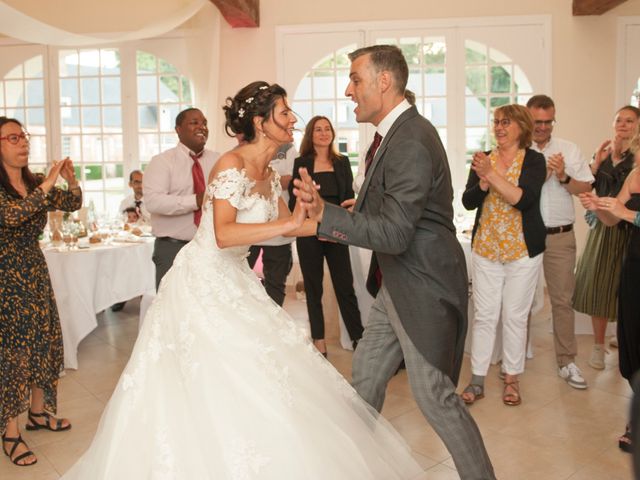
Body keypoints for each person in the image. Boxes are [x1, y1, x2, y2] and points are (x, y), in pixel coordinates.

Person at [61, 81, 423, 480]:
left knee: (263, 371)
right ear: (260, 122)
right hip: (200, 282)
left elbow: (293, 227)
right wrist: (288, 221)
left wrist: (341, 221)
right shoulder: (231, 165)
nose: (293, 120)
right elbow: (223, 234)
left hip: (234, 279)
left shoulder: (270, 173)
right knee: (213, 375)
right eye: (284, 113)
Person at [294, 45, 495, 479]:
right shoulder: (396, 134)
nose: (349, 90)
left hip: (421, 281)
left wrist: (326, 216)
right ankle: (354, 468)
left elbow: (398, 233)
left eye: (355, 79)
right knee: (366, 374)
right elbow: (399, 211)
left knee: (434, 394)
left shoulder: (410, 138)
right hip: (398, 281)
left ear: (384, 82)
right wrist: (351, 207)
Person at [0, 117, 82, 467]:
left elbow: (72, 204)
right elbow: (15, 215)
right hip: (6, 277)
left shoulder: (34, 183)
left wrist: (70, 180)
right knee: (14, 352)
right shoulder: (17, 189)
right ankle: (10, 432)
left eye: (25, 136)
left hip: (34, 271)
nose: (23, 143)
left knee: (42, 342)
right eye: (13, 137)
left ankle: (38, 413)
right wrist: (48, 183)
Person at [461, 104, 546, 407]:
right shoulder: (485, 158)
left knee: (513, 315)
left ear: (521, 127)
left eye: (505, 122)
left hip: (523, 251)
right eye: (496, 122)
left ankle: (512, 378)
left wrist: (491, 175)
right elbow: (468, 201)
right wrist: (482, 182)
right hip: (486, 249)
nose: (498, 127)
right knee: (484, 316)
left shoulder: (535, 161)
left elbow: (523, 200)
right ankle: (478, 379)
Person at [526, 95, 594, 389]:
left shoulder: (569, 149)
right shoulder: (518, 149)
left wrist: (564, 175)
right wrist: (543, 173)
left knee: (562, 302)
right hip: (524, 235)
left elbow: (585, 188)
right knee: (519, 301)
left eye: (547, 121)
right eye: (537, 121)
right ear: (527, 120)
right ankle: (514, 360)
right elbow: (515, 191)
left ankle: (567, 362)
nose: (542, 127)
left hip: (560, 236)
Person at [289, 116, 363, 356]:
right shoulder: (302, 162)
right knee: (313, 287)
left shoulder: (341, 162)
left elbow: (346, 198)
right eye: (318, 129)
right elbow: (295, 200)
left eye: (327, 129)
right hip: (309, 231)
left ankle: (358, 339)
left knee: (345, 287)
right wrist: (312, 225)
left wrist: (334, 227)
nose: (323, 133)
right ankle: (318, 339)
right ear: (311, 135)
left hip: (337, 230)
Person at [573, 105, 640, 369]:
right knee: (598, 286)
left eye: (630, 121)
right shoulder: (602, 154)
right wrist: (596, 165)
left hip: (628, 231)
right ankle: (599, 345)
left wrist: (623, 213)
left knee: (624, 291)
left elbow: (625, 206)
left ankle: (625, 340)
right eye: (619, 120)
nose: (623, 125)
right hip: (604, 225)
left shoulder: (635, 160)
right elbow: (587, 184)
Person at [579, 164, 640, 454]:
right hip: (635, 267)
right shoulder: (635, 173)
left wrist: (626, 212)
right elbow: (613, 220)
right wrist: (599, 207)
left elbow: (625, 214)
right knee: (632, 342)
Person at [144, 108, 219, 289]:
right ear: (178, 129)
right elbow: (153, 201)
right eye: (194, 123)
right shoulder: (162, 162)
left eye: (204, 123)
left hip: (212, 248)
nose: (202, 127)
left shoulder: (218, 160)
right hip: (173, 249)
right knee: (172, 309)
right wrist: (196, 200)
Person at [245, 141, 297, 306]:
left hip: (278, 229)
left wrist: (258, 180)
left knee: (275, 283)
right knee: (240, 280)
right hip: (250, 228)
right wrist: (272, 180)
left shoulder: (288, 149)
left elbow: (290, 180)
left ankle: (274, 325)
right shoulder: (245, 148)